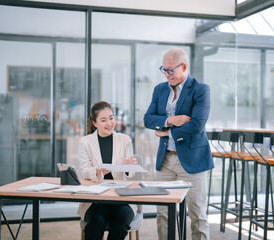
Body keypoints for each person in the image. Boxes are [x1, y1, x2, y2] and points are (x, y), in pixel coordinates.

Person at [144, 48, 214, 240]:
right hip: (165, 159)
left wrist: (164, 130)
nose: (167, 74)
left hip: (192, 160)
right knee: (164, 213)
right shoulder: (160, 89)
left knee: (197, 214)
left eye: (170, 70)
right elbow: (148, 119)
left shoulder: (201, 90)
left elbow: (197, 125)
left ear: (184, 67)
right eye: (163, 69)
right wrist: (171, 121)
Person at [77, 101, 137, 240]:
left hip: (121, 199)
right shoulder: (85, 142)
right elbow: (84, 170)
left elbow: (130, 174)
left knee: (120, 227)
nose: (109, 123)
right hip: (96, 200)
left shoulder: (124, 140)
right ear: (94, 122)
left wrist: (129, 167)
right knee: (94, 226)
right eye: (103, 120)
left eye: (111, 118)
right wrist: (97, 172)